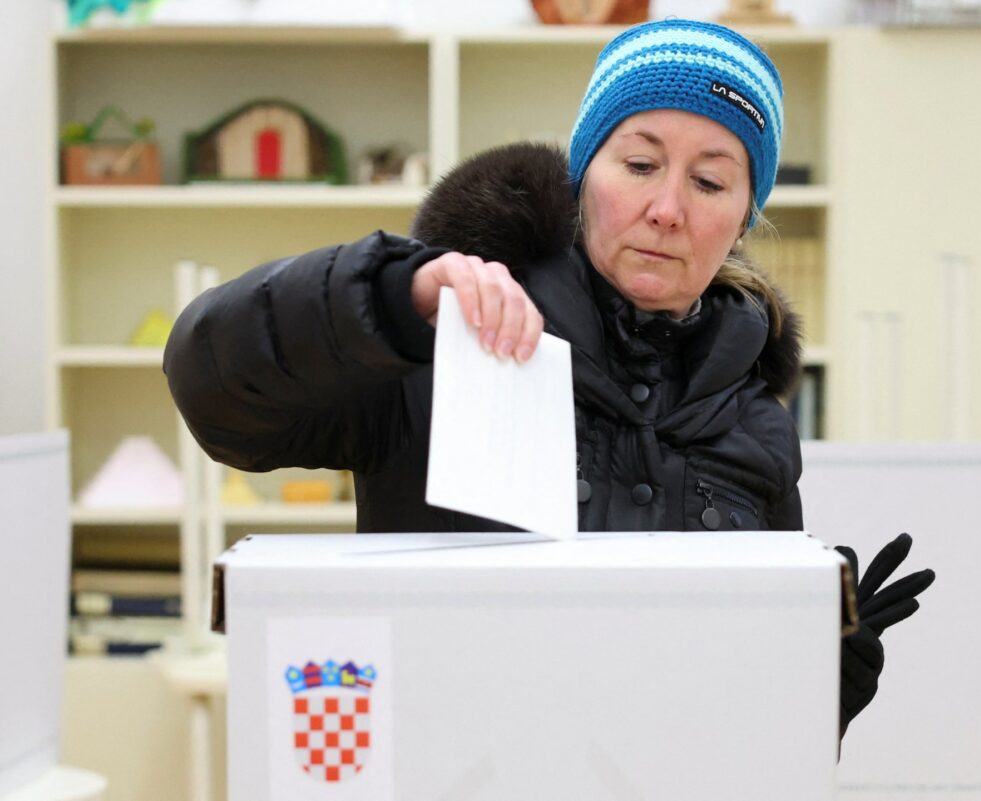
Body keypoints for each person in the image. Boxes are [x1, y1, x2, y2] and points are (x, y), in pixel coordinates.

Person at [164, 19, 933, 741]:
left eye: (710, 182)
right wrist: (388, 299)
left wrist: (819, 684)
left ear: (744, 217)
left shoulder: (757, 425)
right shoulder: (448, 342)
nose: (667, 209)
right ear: (582, 176)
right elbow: (216, 394)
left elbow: (735, 734)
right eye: (639, 165)